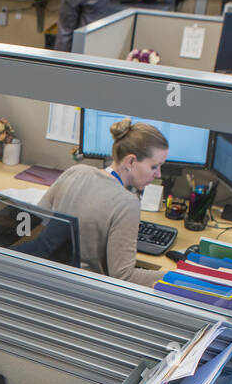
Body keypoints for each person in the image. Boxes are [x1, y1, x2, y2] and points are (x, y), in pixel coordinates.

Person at [39, 118, 169, 286]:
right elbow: (123, 276)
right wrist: (176, 276)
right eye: (154, 167)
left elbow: (37, 221)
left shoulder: (75, 171)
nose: (158, 174)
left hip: (47, 281)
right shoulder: (127, 203)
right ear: (130, 161)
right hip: (83, 294)